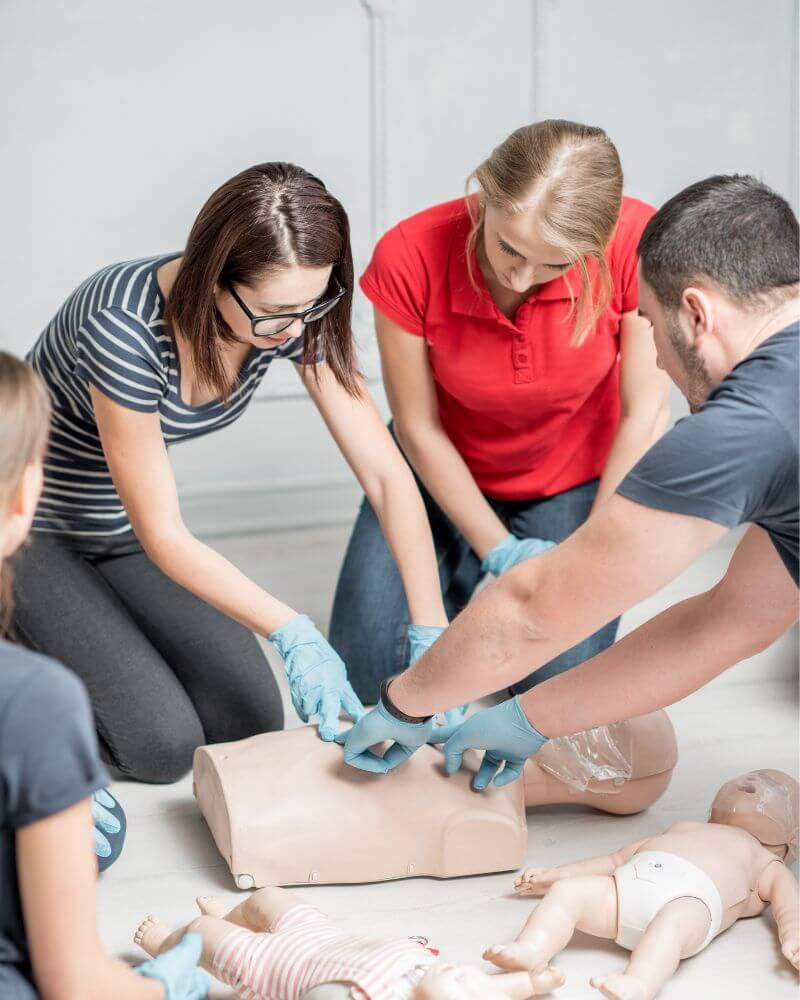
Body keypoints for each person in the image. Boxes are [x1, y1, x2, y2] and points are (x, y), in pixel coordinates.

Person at [339, 174, 799, 784]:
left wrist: (404, 703)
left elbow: (533, 610)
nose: (655, 357)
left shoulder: (744, 426)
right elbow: (732, 619)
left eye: (650, 326)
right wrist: (532, 718)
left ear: (695, 313)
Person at [13, 162, 447, 784]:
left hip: (121, 528)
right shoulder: (122, 327)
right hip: (31, 531)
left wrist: (430, 629)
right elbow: (164, 533)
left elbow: (385, 473)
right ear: (213, 278)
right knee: (160, 747)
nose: (296, 331)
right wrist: (292, 630)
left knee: (245, 714)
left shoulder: (288, 310)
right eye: (275, 314)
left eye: (311, 305)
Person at [330, 119, 669, 704]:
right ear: (484, 194)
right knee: (372, 677)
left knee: (550, 685)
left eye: (553, 265)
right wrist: (499, 551)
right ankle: (468, 566)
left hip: (572, 478)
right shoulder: (409, 254)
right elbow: (418, 427)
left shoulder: (637, 240)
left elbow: (645, 413)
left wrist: (596, 548)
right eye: (508, 246)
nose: (519, 275)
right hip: (437, 469)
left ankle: (472, 584)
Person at [0, 352, 208, 1000]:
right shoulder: (37, 701)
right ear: (25, 493)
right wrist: (160, 989)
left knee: (94, 829)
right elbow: (77, 986)